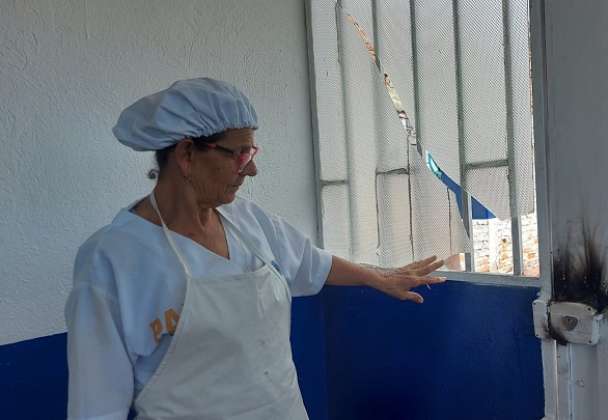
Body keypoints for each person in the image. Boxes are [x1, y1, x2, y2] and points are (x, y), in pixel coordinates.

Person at [65, 78, 445, 420]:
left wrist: (379, 277)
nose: (251, 170)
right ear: (186, 155)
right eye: (240, 154)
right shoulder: (112, 261)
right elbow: (96, 407)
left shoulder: (248, 221)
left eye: (253, 153)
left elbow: (311, 264)